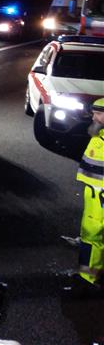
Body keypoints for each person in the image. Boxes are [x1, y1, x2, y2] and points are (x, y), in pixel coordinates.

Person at [73, 98, 104, 293]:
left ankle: (89, 278)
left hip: (100, 196)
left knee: (93, 237)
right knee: (91, 236)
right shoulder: (98, 134)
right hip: (94, 193)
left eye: (98, 113)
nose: (94, 117)